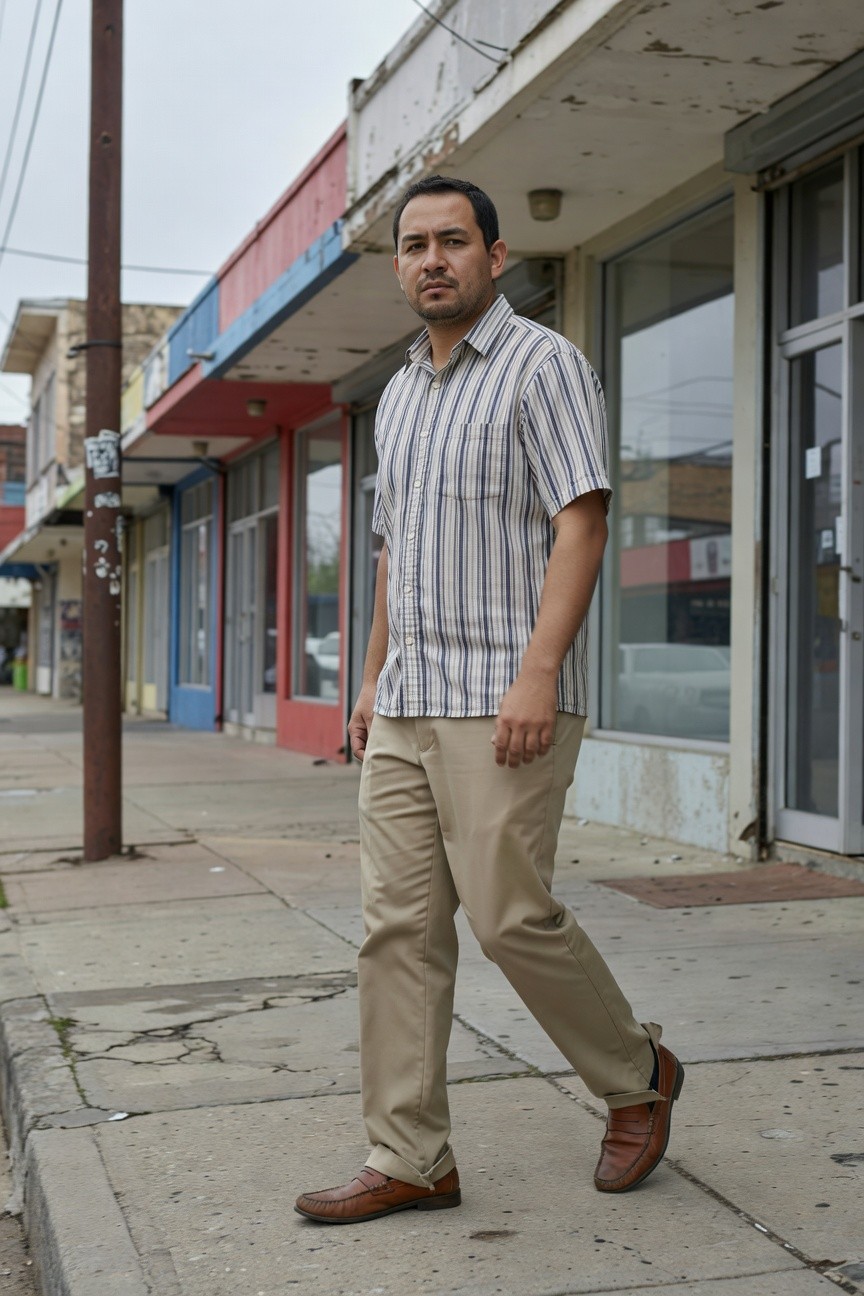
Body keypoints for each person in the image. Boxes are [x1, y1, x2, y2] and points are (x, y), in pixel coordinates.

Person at [295, 176, 683, 1225]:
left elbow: (581, 524)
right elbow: (391, 557)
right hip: (409, 698)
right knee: (399, 932)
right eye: (415, 244)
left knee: (512, 918)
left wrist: (539, 671)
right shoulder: (399, 397)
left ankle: (637, 1075)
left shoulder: (543, 367)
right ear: (398, 266)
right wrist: (371, 678)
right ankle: (411, 1153)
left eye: (453, 241)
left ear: (495, 256)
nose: (433, 259)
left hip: (502, 697)